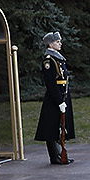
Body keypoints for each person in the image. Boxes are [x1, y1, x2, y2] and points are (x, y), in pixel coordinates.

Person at [34, 31, 73, 165]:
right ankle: (54, 156)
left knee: (59, 126)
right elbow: (51, 83)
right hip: (54, 98)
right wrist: (59, 101)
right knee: (51, 127)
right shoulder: (49, 61)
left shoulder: (58, 58)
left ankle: (60, 153)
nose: (60, 43)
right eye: (57, 42)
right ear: (50, 44)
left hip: (62, 95)